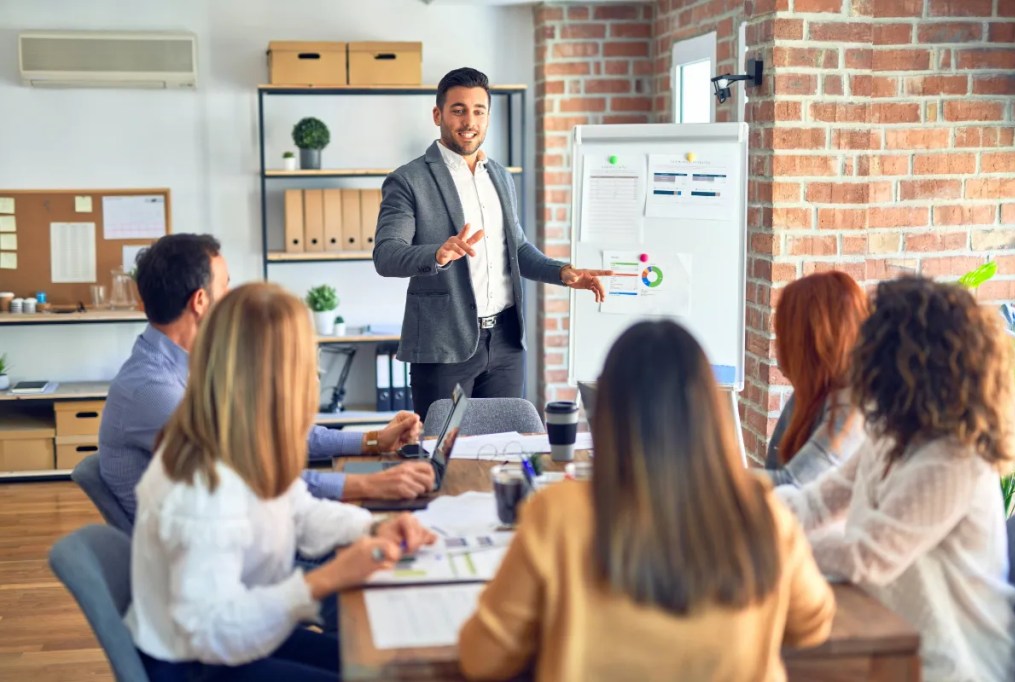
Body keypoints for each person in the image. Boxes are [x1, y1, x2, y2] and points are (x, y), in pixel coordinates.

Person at [458, 321, 835, 681]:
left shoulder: (557, 514)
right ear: (709, 412)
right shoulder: (765, 513)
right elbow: (812, 625)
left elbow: (483, 658)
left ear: (608, 411)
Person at [127, 283, 436, 680]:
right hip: (202, 660)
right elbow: (211, 630)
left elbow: (299, 510)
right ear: (275, 378)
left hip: (237, 631)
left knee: (380, 665)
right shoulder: (202, 484)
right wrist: (329, 578)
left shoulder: (236, 438)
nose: (316, 374)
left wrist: (374, 526)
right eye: (308, 362)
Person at [777, 277, 1015, 681]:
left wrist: (777, 542)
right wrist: (755, 511)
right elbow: (819, 501)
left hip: (955, 661)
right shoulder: (891, 433)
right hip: (891, 633)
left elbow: (867, 557)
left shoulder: (954, 462)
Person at [99, 234, 434, 522]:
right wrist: (366, 485)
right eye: (226, 284)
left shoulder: (194, 365)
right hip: (209, 557)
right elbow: (252, 477)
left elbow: (271, 435)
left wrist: (373, 440)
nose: (232, 294)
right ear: (200, 301)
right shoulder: (154, 391)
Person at [373, 67, 612, 419]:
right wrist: (437, 254)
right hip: (444, 346)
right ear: (438, 115)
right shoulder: (408, 180)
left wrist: (563, 272)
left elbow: (516, 251)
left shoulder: (499, 176)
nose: (469, 121)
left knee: (504, 452)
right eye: (458, 110)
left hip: (505, 344)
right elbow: (386, 255)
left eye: (478, 111)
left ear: (487, 117)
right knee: (446, 458)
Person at [764, 271, 869, 487]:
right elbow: (774, 471)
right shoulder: (809, 393)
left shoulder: (852, 407)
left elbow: (791, 484)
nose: (778, 346)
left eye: (784, 333)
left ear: (810, 341)